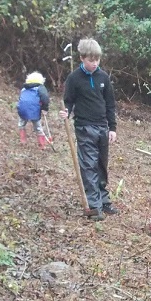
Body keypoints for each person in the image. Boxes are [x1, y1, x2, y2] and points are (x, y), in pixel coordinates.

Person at [59, 38, 119, 221]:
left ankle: (104, 200)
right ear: (82, 58)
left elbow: (110, 104)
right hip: (84, 128)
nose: (94, 63)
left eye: (97, 60)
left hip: (102, 127)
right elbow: (68, 101)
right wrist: (66, 113)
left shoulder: (103, 77)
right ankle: (94, 206)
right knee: (88, 165)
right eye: (91, 60)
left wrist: (112, 128)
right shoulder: (74, 78)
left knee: (101, 164)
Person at [17, 71, 50, 150]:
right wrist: (45, 108)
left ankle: (23, 141)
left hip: (22, 109)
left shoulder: (24, 88)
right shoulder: (40, 88)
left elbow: (20, 98)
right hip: (34, 109)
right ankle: (42, 145)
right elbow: (45, 98)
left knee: (21, 124)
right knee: (38, 127)